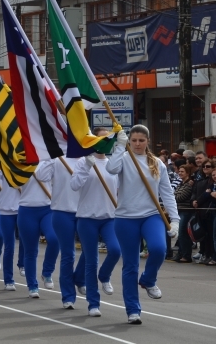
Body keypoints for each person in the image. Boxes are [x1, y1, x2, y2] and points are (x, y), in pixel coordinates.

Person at [106, 125, 179, 325]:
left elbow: (167, 193)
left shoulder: (157, 163)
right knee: (130, 265)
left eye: (141, 140)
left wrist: (175, 220)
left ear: (148, 141)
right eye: (134, 140)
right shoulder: (123, 159)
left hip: (151, 215)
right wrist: (120, 146)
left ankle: (148, 280)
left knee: (159, 249)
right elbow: (110, 169)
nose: (137, 144)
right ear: (129, 140)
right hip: (125, 218)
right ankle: (133, 309)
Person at [70, 128, 120, 317]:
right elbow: (74, 186)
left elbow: (120, 191)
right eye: (100, 138)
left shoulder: (113, 164)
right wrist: (87, 168)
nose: (104, 141)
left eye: (107, 138)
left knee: (115, 250)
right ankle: (93, 303)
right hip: (87, 218)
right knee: (91, 260)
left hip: (109, 217)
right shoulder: (84, 162)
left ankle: (105, 276)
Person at [45, 156, 85, 309]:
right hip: (62, 211)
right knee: (68, 254)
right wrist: (50, 155)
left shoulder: (89, 159)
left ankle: (80, 278)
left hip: (85, 212)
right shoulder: (57, 159)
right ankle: (68, 296)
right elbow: (42, 176)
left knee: (90, 251)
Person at [17, 160, 59, 299]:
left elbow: (45, 176)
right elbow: (15, 182)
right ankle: (32, 285)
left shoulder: (50, 159)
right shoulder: (20, 158)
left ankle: (47, 272)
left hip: (47, 208)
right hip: (27, 209)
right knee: (30, 251)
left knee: (54, 239)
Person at [0, 175, 24, 290]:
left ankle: (22, 264)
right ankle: (8, 280)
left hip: (24, 208)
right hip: (6, 210)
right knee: (9, 246)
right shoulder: (4, 164)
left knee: (26, 241)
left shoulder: (27, 164)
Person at [172, 164, 195, 263]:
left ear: (188, 173)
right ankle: (181, 254)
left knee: (183, 233)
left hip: (186, 211)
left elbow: (180, 197)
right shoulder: (181, 183)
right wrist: (175, 195)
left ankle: (186, 255)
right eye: (179, 171)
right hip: (179, 210)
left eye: (182, 172)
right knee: (181, 234)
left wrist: (175, 195)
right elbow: (174, 194)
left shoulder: (189, 184)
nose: (180, 173)